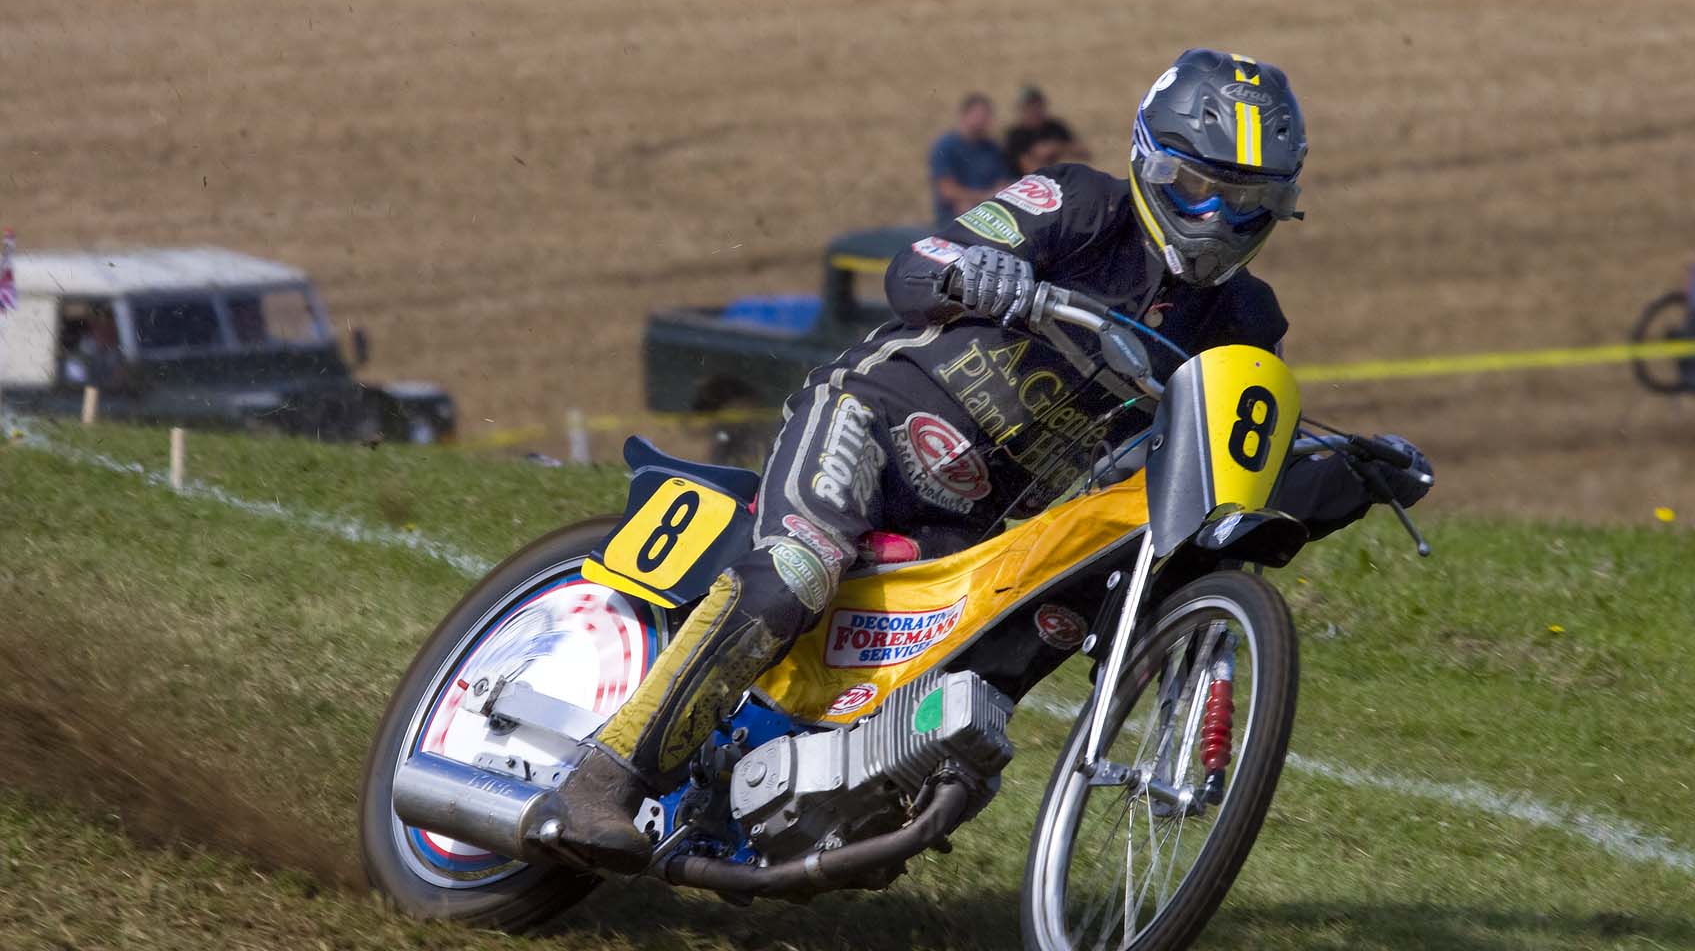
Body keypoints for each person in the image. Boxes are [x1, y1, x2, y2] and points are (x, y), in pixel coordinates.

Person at [529, 47, 1435, 872]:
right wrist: (978, 272)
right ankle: (603, 779)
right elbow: (919, 262)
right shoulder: (1076, 203)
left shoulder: (1250, 321)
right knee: (798, 570)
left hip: (986, 530)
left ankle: (855, 796)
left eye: (1252, 203)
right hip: (875, 425)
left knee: (1045, 622)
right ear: (1150, 163)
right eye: (1200, 188)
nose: (1222, 219)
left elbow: (1230, 452)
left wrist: (1346, 473)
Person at [926, 93, 1010, 224]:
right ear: (964, 115)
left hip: (988, 213)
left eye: (986, 116)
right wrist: (984, 197)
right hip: (954, 216)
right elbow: (947, 191)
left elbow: (1001, 182)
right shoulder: (946, 146)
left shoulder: (992, 148)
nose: (982, 120)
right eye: (978, 115)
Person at [1003, 84, 1091, 174]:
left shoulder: (1056, 127)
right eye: (1030, 107)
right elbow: (1029, 169)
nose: (1035, 111)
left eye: (1037, 106)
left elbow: (1084, 153)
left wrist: (1056, 148)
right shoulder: (1016, 136)